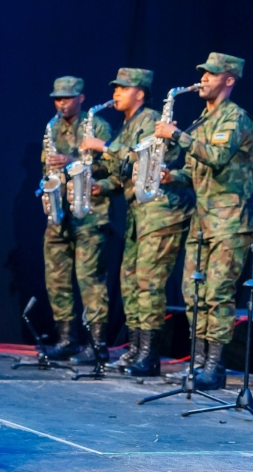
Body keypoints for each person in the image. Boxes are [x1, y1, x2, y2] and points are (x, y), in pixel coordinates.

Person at [82, 68, 194, 377]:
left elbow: (141, 158)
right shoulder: (126, 125)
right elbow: (124, 177)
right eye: (115, 88)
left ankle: (149, 354)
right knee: (130, 282)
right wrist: (99, 186)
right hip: (138, 215)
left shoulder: (152, 121)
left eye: (122, 88)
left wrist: (102, 147)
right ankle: (134, 348)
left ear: (140, 93)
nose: (115, 93)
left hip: (161, 212)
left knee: (149, 282)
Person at [156, 53, 253, 390]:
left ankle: (215, 366)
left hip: (229, 223)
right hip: (200, 223)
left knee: (218, 295)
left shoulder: (235, 118)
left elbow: (215, 157)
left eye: (211, 75)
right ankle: (197, 361)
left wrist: (175, 136)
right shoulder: (201, 120)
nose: (202, 80)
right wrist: (173, 176)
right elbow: (197, 170)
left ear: (229, 79)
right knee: (193, 294)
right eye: (202, 74)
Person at [40, 76, 113, 363]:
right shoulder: (52, 126)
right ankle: (67, 339)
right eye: (57, 98)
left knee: (90, 280)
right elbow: (46, 165)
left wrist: (69, 162)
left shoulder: (97, 126)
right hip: (59, 213)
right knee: (56, 278)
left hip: (89, 213)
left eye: (67, 98)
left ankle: (97, 345)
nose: (61, 103)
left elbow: (111, 167)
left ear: (81, 98)